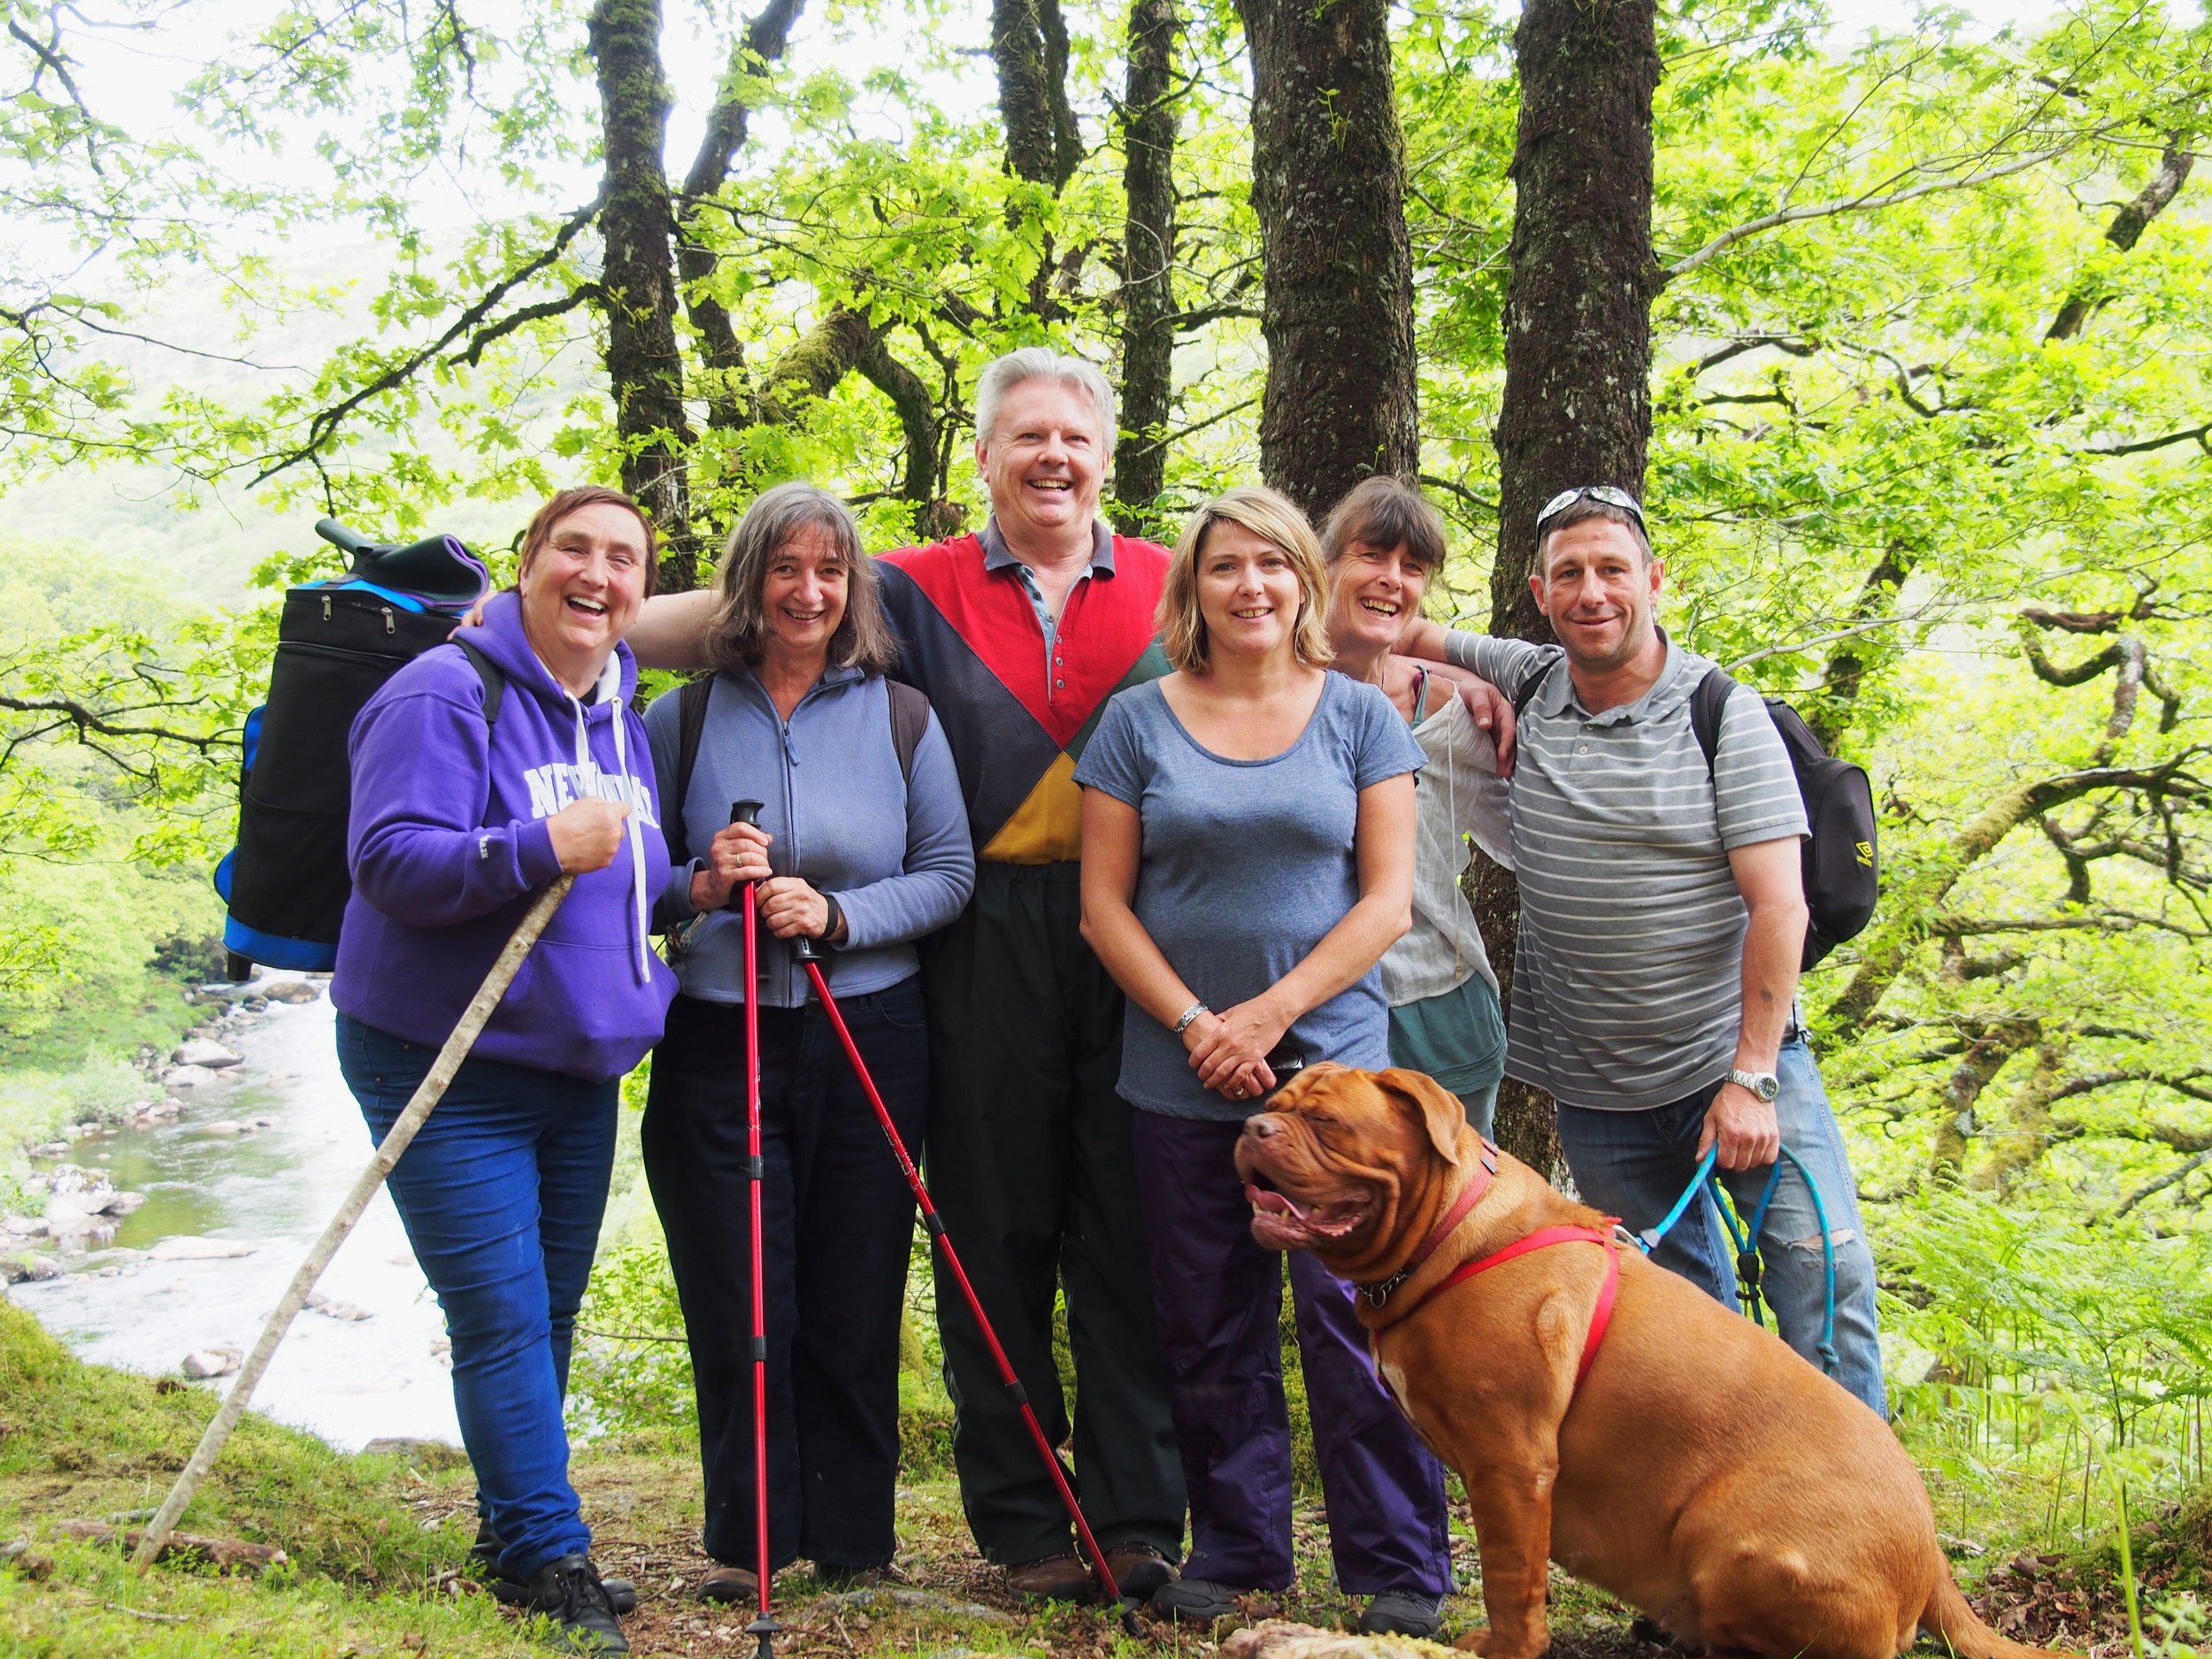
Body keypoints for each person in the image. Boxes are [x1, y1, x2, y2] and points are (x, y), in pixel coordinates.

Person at [623, 349, 1187, 1601]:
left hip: (1136, 920)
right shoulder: (907, 586)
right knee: (992, 1222)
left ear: (1103, 455)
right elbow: (736, 607)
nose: (1052, 457)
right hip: (985, 929)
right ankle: (1030, 1524)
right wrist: (557, 614)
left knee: (1128, 1220)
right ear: (981, 458)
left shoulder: (1170, 578)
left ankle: (1140, 1515)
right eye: (1024, 436)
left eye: (1073, 438)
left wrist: (1459, 677)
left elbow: (1300, 635)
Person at [1398, 485, 1886, 1415]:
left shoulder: (1720, 712)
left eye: (1613, 570)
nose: (1592, 593)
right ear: (1539, 594)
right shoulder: (1531, 679)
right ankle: (1714, 1526)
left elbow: (1777, 904)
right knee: (1675, 1319)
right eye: (1569, 574)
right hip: (1599, 1093)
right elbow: (1379, 625)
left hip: (1732, 1069)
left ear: (1653, 580)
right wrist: (1461, 681)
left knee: (1822, 1279)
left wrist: (1751, 1079)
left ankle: (1863, 1525)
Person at [1075, 486, 1459, 1637]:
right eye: (1225, 566)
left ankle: (1397, 1562)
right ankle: (1239, 1544)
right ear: (1192, 587)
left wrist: (1271, 1014)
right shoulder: (1137, 721)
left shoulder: (1356, 717)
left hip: (1338, 1077)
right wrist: (1202, 1023)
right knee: (1207, 1320)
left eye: (1273, 565)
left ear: (1305, 582)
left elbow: (1388, 901)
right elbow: (1103, 906)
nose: (1251, 586)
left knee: (1356, 1314)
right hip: (1178, 1072)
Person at [334, 484, 676, 1655]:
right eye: (573, 548)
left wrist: (703, 885)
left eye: (624, 558)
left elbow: (620, 884)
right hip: (448, 1057)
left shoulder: (617, 703)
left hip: (575, 1065)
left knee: (551, 1309)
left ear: (639, 589)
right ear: (525, 566)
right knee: (503, 1312)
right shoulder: (444, 688)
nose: (599, 572)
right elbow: (389, 861)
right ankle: (545, 1550)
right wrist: (538, 841)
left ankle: (513, 1524)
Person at [641, 483, 975, 1600]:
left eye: (829, 571)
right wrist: (695, 886)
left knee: (855, 1282)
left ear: (853, 590)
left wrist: (836, 916)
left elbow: (949, 876)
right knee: (738, 1293)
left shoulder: (900, 716)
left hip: (870, 1029)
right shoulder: (679, 719)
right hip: (717, 1036)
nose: (808, 591)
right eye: (785, 568)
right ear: (749, 582)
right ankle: (751, 1546)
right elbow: (630, 886)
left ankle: (852, 1547)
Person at [1320, 477, 1511, 1133]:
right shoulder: (1266, 698)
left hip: (1438, 1003)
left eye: (1413, 567)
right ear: (1324, 565)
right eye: (1371, 556)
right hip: (1312, 1004)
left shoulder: (1445, 709)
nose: (1392, 579)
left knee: (1454, 1228)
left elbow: (1527, 838)